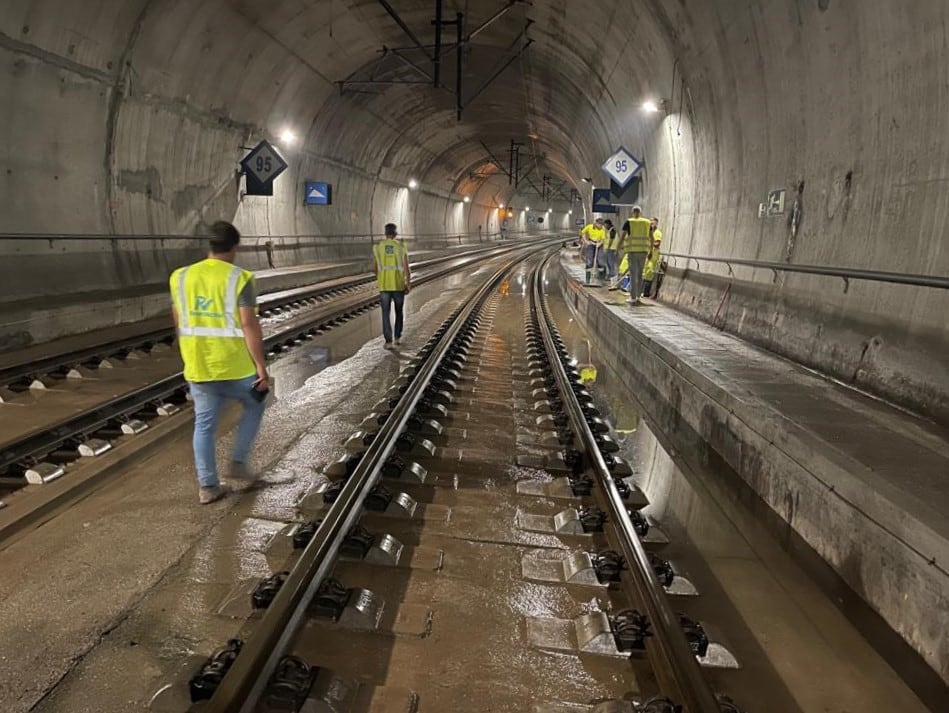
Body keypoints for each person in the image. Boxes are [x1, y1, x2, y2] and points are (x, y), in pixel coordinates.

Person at [170, 222, 269, 504]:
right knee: (255, 402)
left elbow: (179, 320)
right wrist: (261, 367)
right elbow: (249, 324)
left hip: (199, 366)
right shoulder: (241, 278)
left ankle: (208, 487)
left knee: (204, 425)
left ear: (209, 246)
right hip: (235, 366)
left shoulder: (180, 276)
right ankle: (238, 461)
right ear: (234, 248)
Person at [371, 223, 411, 348]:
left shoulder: (378, 247)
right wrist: (408, 284)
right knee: (399, 312)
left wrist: (381, 277)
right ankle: (397, 338)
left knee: (385, 313)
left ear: (385, 233)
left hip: (384, 287)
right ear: (395, 234)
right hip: (398, 285)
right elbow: (406, 268)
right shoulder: (401, 247)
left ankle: (388, 341)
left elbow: (374, 268)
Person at [620, 206, 652, 305]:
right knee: (640, 274)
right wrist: (650, 251)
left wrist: (618, 247)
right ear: (640, 212)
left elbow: (623, 236)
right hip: (643, 251)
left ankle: (633, 297)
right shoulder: (647, 223)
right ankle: (638, 295)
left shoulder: (629, 222)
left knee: (633, 275)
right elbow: (652, 237)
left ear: (633, 212)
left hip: (633, 251)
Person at [579, 217, 607, 284]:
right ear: (596, 223)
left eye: (602, 225)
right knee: (589, 262)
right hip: (591, 244)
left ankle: (601, 279)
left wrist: (599, 244)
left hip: (599, 244)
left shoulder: (603, 229)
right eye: (600, 225)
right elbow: (583, 233)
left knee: (600, 262)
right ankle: (587, 280)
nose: (601, 226)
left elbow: (603, 239)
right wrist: (586, 241)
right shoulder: (589, 227)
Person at [603, 219, 621, 289]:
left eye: (605, 225)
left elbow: (611, 240)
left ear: (608, 224)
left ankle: (614, 283)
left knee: (612, 266)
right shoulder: (610, 231)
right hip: (610, 250)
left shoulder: (612, 231)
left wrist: (608, 247)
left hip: (611, 250)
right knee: (610, 266)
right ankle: (612, 282)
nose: (605, 226)